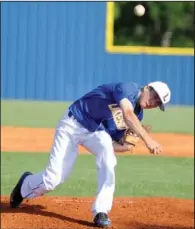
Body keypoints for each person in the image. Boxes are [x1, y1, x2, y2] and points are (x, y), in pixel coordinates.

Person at [10, 81, 171, 227]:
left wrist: (128, 144)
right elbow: (128, 114)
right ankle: (26, 184)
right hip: (73, 123)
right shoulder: (129, 88)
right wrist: (147, 139)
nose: (154, 102)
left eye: (158, 103)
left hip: (95, 131)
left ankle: (101, 211)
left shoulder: (138, 114)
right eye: (155, 96)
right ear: (147, 87)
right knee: (53, 180)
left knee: (108, 155)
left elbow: (115, 143)